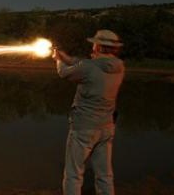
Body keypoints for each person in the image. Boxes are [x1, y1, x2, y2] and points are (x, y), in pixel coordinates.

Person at [53, 29, 125, 195]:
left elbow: (64, 73)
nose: (92, 46)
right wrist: (65, 56)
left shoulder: (88, 67)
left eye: (94, 44)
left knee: (73, 174)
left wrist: (58, 60)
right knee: (105, 175)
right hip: (106, 127)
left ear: (98, 47)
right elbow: (82, 64)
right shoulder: (119, 67)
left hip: (84, 128)